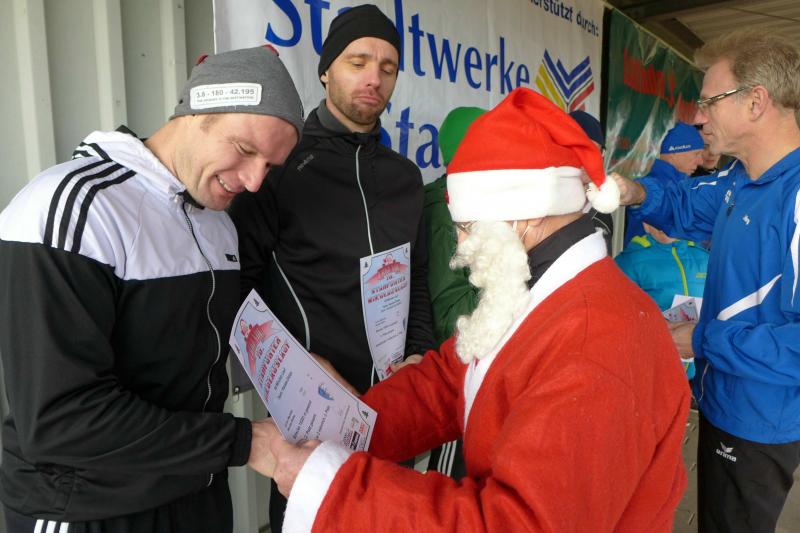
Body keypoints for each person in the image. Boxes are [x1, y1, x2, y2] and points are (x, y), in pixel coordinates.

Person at [248, 88, 691, 532]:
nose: (461, 246)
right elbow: (450, 379)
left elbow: (518, 525)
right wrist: (345, 423)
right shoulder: (540, 285)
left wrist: (330, 486)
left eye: (467, 225)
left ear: (527, 214)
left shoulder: (595, 342)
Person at [0, 46, 303, 532]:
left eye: (270, 166)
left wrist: (306, 377)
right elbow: (59, 420)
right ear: (195, 113)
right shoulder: (74, 209)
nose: (253, 182)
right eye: (246, 150)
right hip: (90, 507)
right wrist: (247, 443)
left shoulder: (218, 224)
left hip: (196, 494)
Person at [228, 4, 436, 531]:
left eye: (387, 68)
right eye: (357, 62)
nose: (373, 79)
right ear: (326, 71)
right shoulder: (280, 168)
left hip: (393, 410)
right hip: (313, 414)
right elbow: (239, 289)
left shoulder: (405, 179)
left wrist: (418, 355)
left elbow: (415, 280)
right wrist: (299, 368)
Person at [610, 29, 800, 532]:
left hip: (759, 419)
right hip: (721, 397)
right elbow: (683, 204)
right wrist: (630, 191)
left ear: (756, 101)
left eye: (710, 101)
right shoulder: (742, 177)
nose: (698, 116)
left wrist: (703, 340)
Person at [615, 222, 710, 378]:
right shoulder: (630, 261)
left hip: (700, 375)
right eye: (657, 218)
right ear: (645, 224)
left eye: (672, 217)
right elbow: (616, 320)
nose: (664, 224)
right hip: (653, 372)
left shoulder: (704, 258)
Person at [624, 122, 704, 245]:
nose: (700, 161)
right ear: (675, 151)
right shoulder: (656, 188)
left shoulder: (676, 185)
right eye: (696, 154)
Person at [569, 110, 615, 254]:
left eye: (596, 152)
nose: (588, 161)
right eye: (581, 151)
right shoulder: (540, 207)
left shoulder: (601, 213)